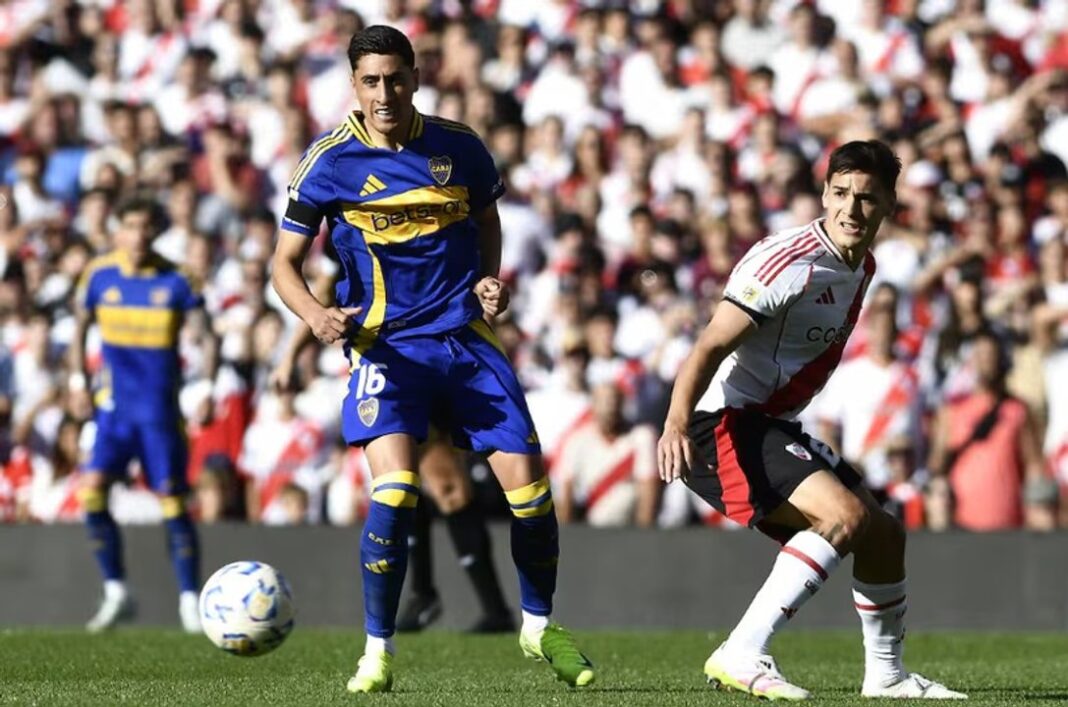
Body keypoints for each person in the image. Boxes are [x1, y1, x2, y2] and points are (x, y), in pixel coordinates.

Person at [270, 25, 594, 694]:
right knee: (397, 490)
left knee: (532, 495)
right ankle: (377, 650)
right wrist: (314, 314)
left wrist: (489, 277)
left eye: (394, 78)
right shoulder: (328, 162)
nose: (384, 93)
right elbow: (281, 265)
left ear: (415, 77)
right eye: (370, 81)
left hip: (466, 340)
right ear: (353, 85)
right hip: (386, 346)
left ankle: (536, 626)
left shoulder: (460, 148)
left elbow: (487, 220)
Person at [657, 140, 965, 700]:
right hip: (718, 423)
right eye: (841, 194)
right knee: (845, 516)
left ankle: (887, 677)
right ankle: (742, 650)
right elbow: (707, 347)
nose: (851, 210)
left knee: (883, 534)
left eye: (867, 199)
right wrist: (675, 424)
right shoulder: (787, 263)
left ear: (890, 206)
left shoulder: (862, 265)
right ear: (823, 194)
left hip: (769, 423)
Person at [69, 195, 205, 633]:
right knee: (91, 491)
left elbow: (207, 336)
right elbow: (79, 325)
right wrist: (76, 382)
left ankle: (189, 600)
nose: (138, 235)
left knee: (173, 502)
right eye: (130, 225)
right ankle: (116, 590)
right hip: (114, 411)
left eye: (146, 226)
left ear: (156, 231)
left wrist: (206, 385)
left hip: (159, 412)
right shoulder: (99, 274)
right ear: (117, 229)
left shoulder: (178, 280)